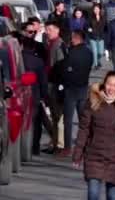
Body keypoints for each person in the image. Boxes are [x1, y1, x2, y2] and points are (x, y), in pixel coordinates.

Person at [73, 71, 115, 200]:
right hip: (94, 155)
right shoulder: (93, 102)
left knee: (113, 196)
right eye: (109, 84)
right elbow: (84, 129)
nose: (111, 88)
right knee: (93, 194)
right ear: (104, 84)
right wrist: (78, 153)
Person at [57, 30, 93, 158]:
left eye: (72, 38)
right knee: (84, 120)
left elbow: (65, 71)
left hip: (71, 89)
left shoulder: (72, 53)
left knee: (68, 120)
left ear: (76, 39)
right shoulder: (89, 53)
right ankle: (85, 146)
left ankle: (67, 147)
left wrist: (64, 82)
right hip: (83, 87)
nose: (71, 41)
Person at [19, 34, 48, 156]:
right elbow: (43, 80)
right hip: (34, 95)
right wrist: (44, 95)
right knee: (36, 122)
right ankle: (34, 147)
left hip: (19, 94)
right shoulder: (38, 61)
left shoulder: (17, 59)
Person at [44, 21, 68, 154]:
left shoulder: (58, 45)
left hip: (55, 83)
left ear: (57, 30)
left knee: (57, 114)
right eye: (47, 29)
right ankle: (54, 141)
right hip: (51, 81)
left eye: (50, 30)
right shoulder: (51, 44)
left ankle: (58, 143)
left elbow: (60, 65)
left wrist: (59, 84)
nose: (47, 32)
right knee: (54, 114)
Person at [89, 4, 106, 70]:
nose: (96, 10)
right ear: (93, 10)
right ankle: (95, 65)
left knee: (101, 53)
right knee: (95, 51)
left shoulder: (103, 17)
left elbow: (105, 26)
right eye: (95, 9)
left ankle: (98, 61)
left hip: (101, 37)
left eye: (97, 9)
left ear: (99, 10)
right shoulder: (90, 17)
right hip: (92, 36)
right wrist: (88, 28)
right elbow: (87, 25)